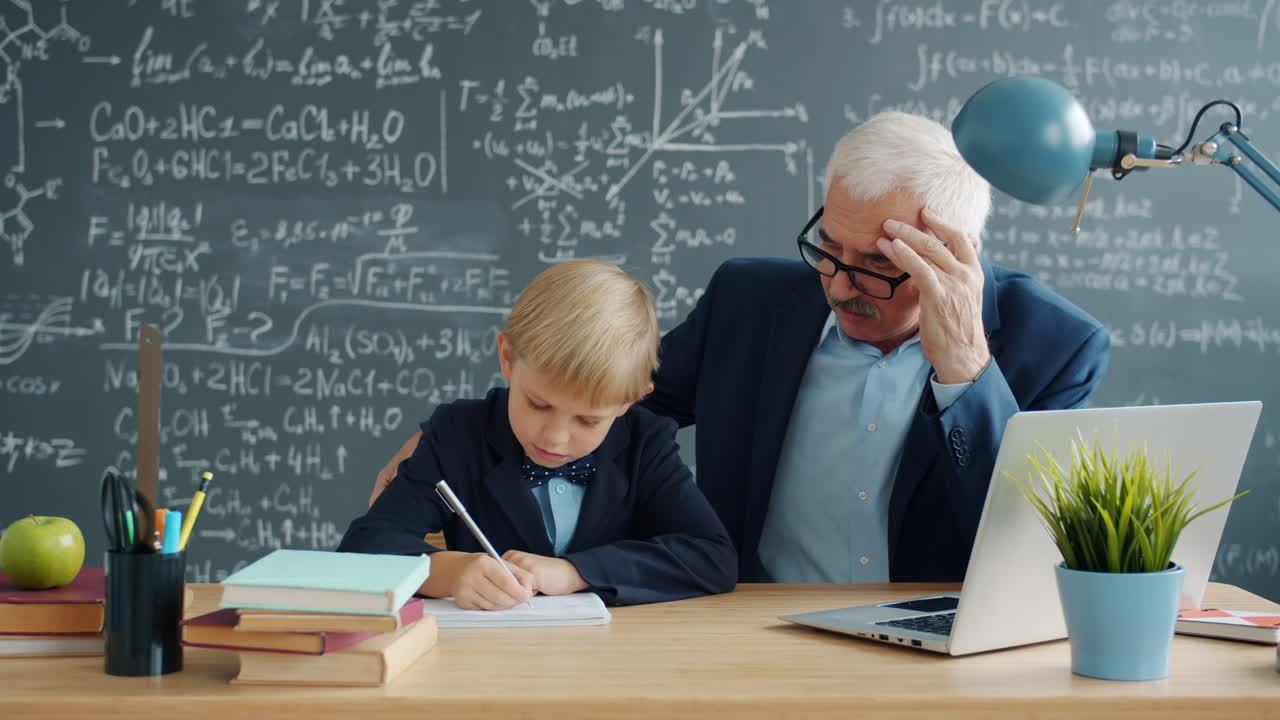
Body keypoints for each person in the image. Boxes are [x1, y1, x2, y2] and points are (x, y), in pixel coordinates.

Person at [368, 111, 1110, 585]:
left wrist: (966, 373)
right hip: (746, 622)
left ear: (959, 253)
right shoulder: (749, 303)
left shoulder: (1056, 345)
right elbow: (611, 396)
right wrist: (456, 442)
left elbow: (1027, 541)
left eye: (880, 265)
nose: (840, 283)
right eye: (829, 247)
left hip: (940, 641)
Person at [338, 260, 736, 609]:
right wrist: (448, 571)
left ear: (629, 401)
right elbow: (364, 548)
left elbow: (712, 558)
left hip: (617, 666)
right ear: (507, 358)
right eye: (538, 405)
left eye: (587, 421)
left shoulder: (645, 442)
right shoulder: (457, 434)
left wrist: (576, 572)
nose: (556, 438)